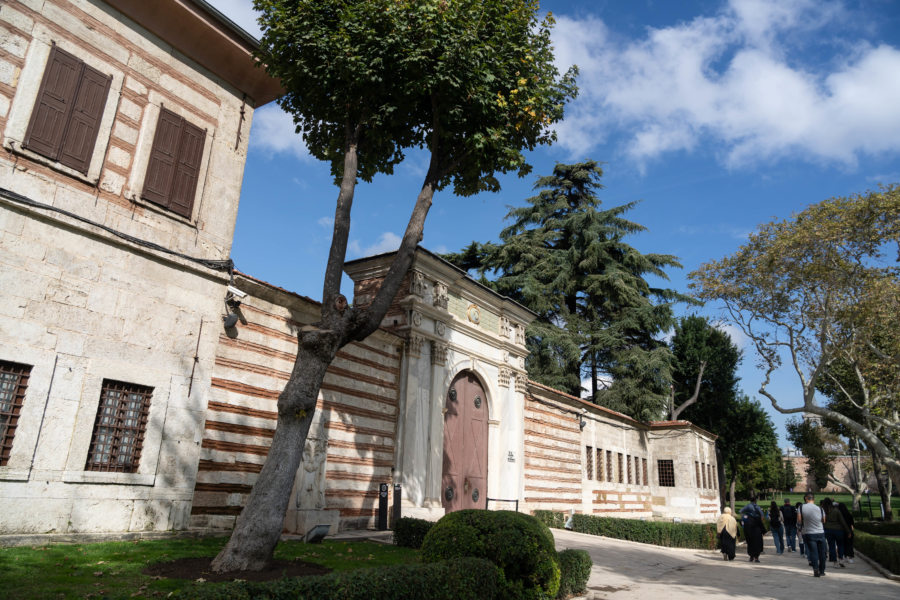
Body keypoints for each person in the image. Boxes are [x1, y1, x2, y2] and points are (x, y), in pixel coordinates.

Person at [798, 492, 827, 577]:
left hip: (809, 532)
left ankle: (816, 569)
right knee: (822, 552)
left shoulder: (801, 507)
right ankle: (822, 570)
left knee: (813, 552)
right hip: (820, 532)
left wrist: (800, 527)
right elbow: (824, 520)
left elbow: (799, 520)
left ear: (806, 499)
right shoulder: (820, 508)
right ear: (813, 499)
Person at [822, 498, 850, 568]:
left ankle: (834, 561)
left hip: (828, 530)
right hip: (838, 530)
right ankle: (841, 559)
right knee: (840, 545)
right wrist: (848, 531)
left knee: (831, 546)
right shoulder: (836, 511)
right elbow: (842, 521)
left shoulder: (824, 511)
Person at [740, 494, 766, 562]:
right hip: (756, 529)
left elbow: (741, 511)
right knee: (757, 543)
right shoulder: (757, 507)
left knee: (750, 543)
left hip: (748, 528)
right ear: (755, 500)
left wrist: (744, 516)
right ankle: (756, 557)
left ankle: (751, 556)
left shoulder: (747, 507)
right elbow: (762, 515)